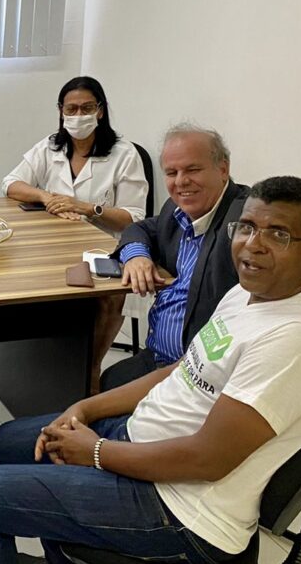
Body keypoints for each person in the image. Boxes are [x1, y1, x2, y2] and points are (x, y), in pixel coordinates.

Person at [0, 176, 301, 564]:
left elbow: (208, 460)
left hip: (183, 511)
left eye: (279, 234)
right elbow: (182, 369)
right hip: (145, 443)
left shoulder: (297, 339)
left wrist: (94, 452)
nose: (253, 245)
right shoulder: (250, 291)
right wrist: (85, 409)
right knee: (12, 441)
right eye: (247, 227)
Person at [2, 76, 148, 392]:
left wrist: (86, 208)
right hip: (55, 241)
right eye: (71, 108)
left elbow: (133, 218)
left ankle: (90, 368)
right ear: (61, 111)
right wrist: (45, 197)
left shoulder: (124, 154)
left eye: (86, 108)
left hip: (106, 245)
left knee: (110, 296)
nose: (78, 115)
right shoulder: (50, 146)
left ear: (100, 111)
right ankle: (39, 363)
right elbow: (11, 184)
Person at [102, 123, 250, 391]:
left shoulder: (243, 222)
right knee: (107, 380)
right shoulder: (177, 208)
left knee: (98, 400)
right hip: (155, 358)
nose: (181, 181)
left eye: (192, 170)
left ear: (223, 169)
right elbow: (140, 228)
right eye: (172, 173)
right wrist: (137, 256)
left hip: (196, 376)